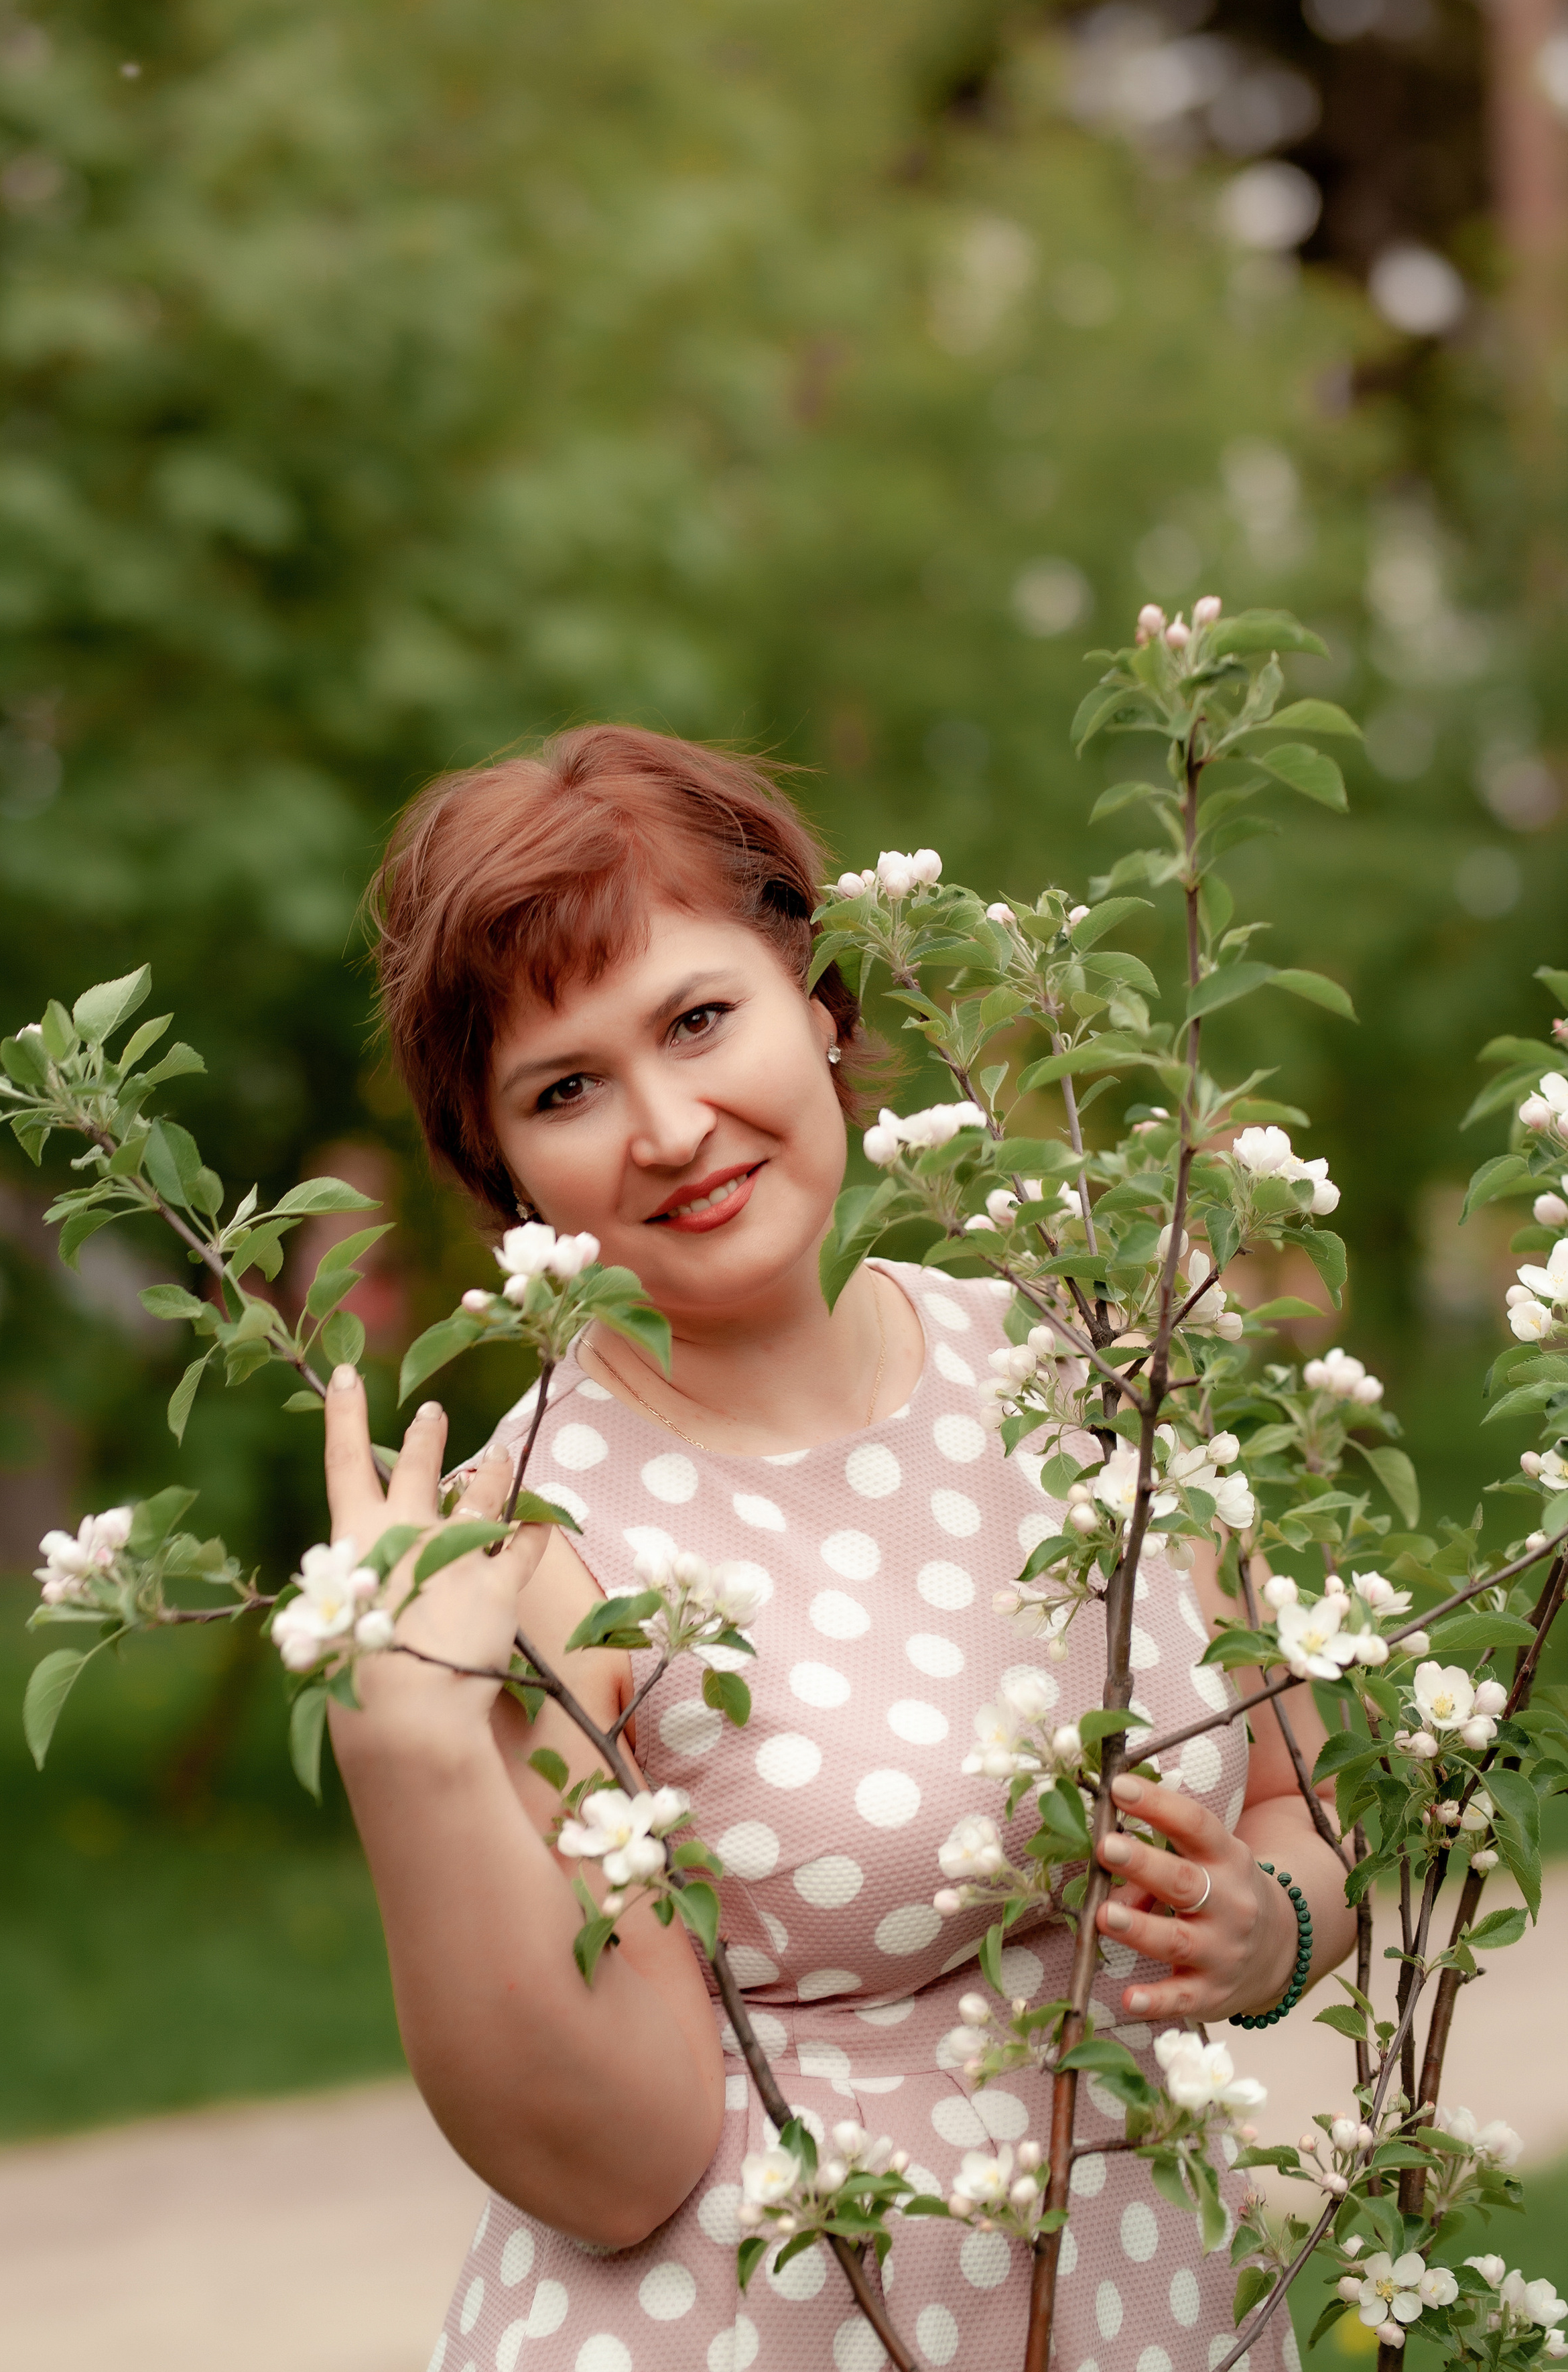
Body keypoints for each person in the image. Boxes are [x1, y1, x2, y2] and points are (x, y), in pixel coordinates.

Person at [322, 725, 1351, 2372]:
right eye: (565, 1088)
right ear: (501, 1166)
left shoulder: (1088, 1375)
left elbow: (1305, 1813)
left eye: (697, 1020)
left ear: (815, 997)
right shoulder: (534, 1547)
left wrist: (1261, 1934)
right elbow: (608, 2168)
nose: (669, 1126)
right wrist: (409, 1753)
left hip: (1151, 2310)